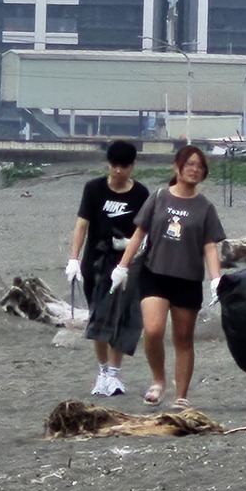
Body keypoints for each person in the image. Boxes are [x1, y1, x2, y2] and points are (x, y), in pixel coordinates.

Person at [113, 145, 226, 410]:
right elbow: (140, 233)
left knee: (183, 338)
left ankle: (181, 395)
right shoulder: (160, 197)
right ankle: (158, 380)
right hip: (155, 274)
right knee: (152, 330)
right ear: (177, 167)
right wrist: (122, 267)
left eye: (199, 166)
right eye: (189, 164)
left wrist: (216, 279)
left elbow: (210, 245)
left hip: (187, 279)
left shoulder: (205, 207)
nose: (194, 169)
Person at [65, 139, 150, 398]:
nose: (118, 171)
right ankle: (102, 371)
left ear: (132, 166)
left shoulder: (141, 194)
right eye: (114, 165)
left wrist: (132, 246)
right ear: (109, 164)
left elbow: (144, 230)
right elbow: (82, 225)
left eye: (124, 166)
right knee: (99, 316)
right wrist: (73, 259)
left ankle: (114, 372)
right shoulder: (94, 189)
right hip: (98, 263)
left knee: (123, 318)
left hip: (128, 264)